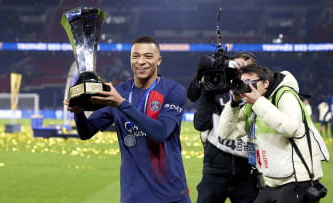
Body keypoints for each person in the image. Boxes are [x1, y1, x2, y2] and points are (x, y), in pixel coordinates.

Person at [64, 35, 191, 203]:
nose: (141, 61)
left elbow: (160, 132)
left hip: (171, 195)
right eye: (136, 56)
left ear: (158, 60)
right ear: (130, 60)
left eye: (148, 56)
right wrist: (78, 112)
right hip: (134, 196)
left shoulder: (173, 91)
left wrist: (122, 104)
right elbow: (86, 132)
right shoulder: (119, 93)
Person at [218, 63, 328, 203]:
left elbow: (291, 127)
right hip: (272, 181)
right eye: (243, 83)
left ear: (266, 83)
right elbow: (226, 133)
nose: (246, 87)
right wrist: (233, 103)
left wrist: (258, 102)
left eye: (250, 83)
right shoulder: (252, 106)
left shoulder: (285, 95)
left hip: (297, 180)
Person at [187, 52, 259, 203]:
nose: (240, 73)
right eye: (237, 68)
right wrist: (208, 86)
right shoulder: (216, 87)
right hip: (215, 170)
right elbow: (200, 124)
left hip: (246, 172)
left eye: (246, 70)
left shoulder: (259, 95)